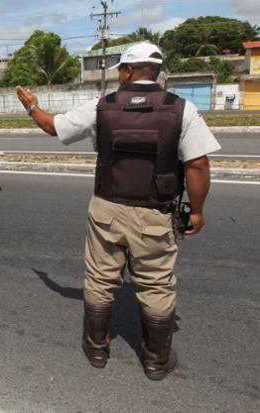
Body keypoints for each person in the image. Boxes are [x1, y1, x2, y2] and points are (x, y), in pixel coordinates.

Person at [15, 42, 220, 380]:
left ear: (127, 71)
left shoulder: (102, 106)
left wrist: (32, 105)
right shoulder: (181, 109)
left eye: (120, 71)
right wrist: (197, 211)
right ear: (156, 71)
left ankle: (95, 348)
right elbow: (198, 165)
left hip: (107, 209)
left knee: (99, 279)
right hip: (155, 213)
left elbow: (53, 126)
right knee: (156, 286)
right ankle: (156, 361)